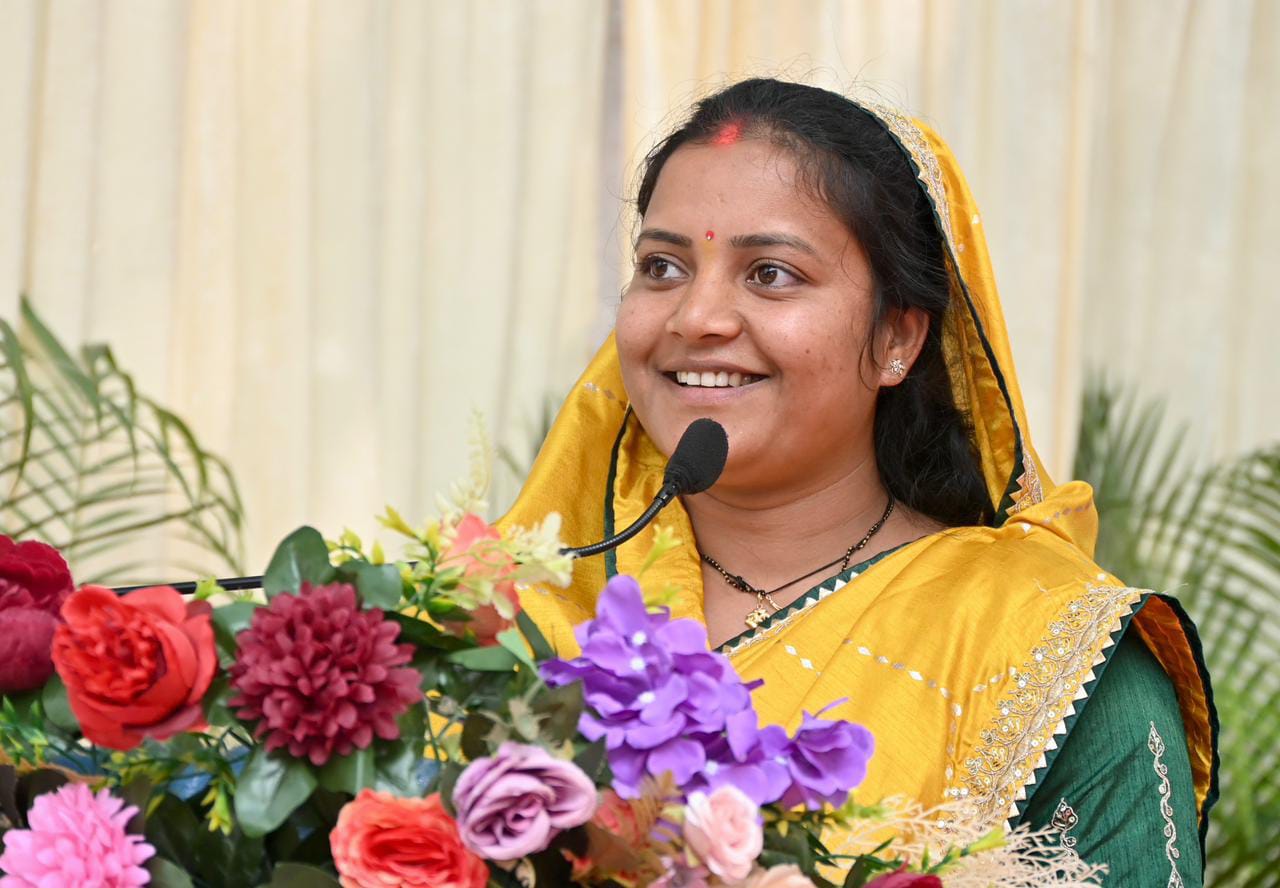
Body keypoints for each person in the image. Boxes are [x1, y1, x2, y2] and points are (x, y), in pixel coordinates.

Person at [501, 79, 1217, 884]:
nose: (696, 317)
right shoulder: (516, 617)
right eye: (662, 266)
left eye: (770, 273)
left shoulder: (1042, 652)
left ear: (896, 340)